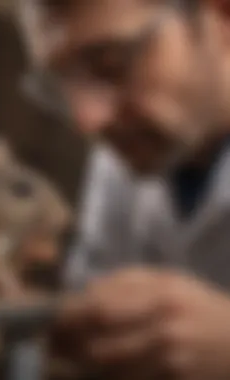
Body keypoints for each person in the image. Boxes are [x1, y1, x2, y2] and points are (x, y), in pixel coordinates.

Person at [14, 0, 230, 378]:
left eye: (111, 65)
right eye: (61, 84)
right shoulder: (120, 160)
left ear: (221, 17)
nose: (88, 119)